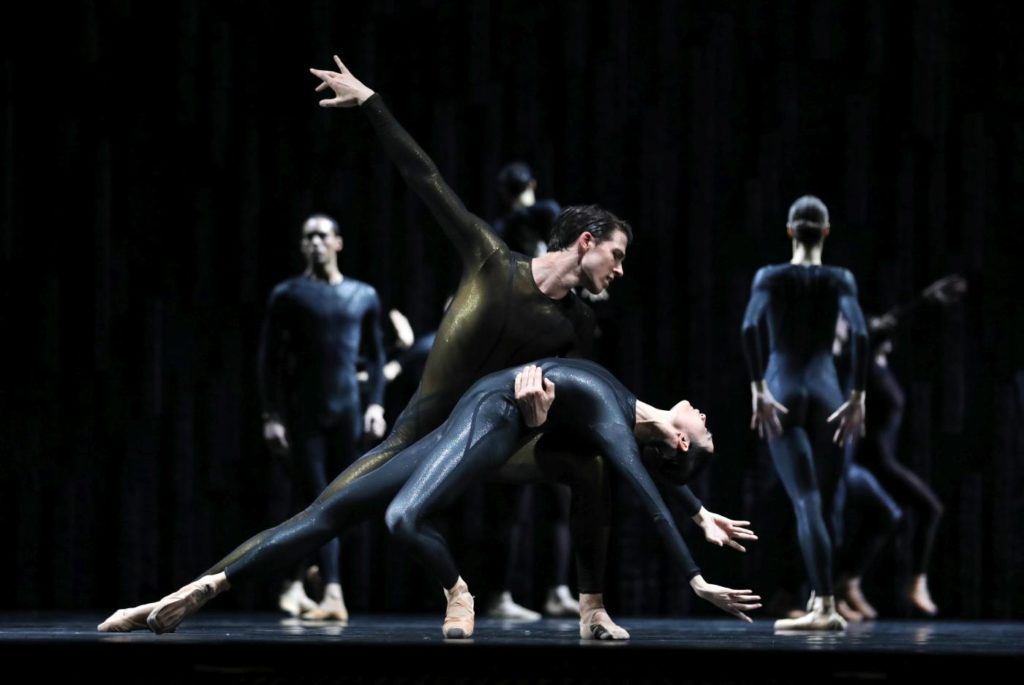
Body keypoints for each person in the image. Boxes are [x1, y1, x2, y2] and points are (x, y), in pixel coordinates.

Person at [101, 360, 761, 639]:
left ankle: (458, 589)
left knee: (401, 517)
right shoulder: (628, 402)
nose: (705, 413)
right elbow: (665, 484)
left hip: (489, 421)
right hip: (463, 418)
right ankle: (192, 590)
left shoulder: (615, 421)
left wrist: (696, 576)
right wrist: (698, 509)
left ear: (678, 442)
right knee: (324, 513)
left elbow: (643, 486)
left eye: (702, 427)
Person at [741, 195, 868, 631]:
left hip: (784, 387)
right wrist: (858, 395)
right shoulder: (840, 278)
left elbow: (749, 326)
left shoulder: (771, 276)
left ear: (791, 230)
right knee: (827, 501)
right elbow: (861, 334)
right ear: (826, 232)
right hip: (829, 393)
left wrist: (758, 386)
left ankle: (826, 605)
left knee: (806, 500)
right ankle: (822, 600)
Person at [260, 213, 387, 621]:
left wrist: (375, 404)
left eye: (322, 235)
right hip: (305, 414)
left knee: (335, 504)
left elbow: (378, 354)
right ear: (302, 246)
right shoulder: (288, 295)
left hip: (347, 409)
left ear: (338, 242)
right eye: (307, 237)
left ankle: (296, 582)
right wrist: (271, 414)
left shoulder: (362, 294)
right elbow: (269, 361)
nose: (315, 242)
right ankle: (332, 592)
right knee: (322, 500)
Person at [832, 275, 964, 619]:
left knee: (887, 515)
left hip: (879, 459)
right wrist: (924, 299)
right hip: (875, 460)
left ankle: (847, 582)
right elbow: (890, 323)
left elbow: (888, 326)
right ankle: (911, 583)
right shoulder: (860, 365)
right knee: (928, 508)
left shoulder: (880, 367)